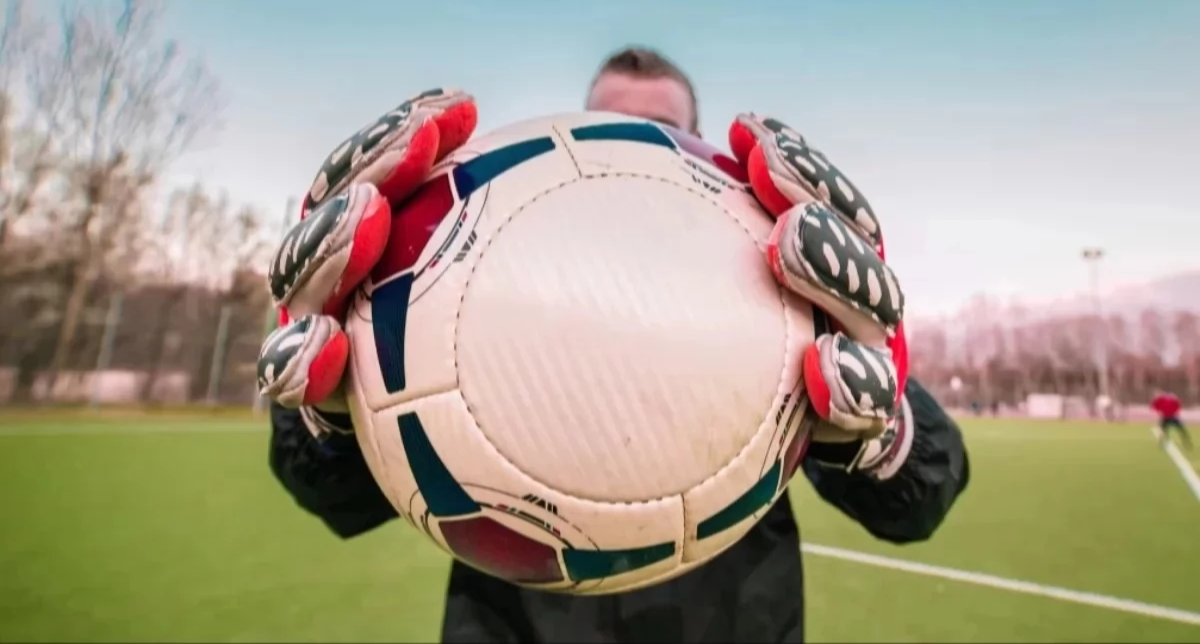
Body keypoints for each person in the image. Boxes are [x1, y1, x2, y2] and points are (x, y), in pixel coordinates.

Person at [260, 46, 970, 643]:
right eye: (610, 124)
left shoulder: (774, 289)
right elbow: (334, 498)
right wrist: (337, 400)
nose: (629, 149)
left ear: (694, 148)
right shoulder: (467, 287)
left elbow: (920, 502)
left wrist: (879, 432)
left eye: (656, 129)